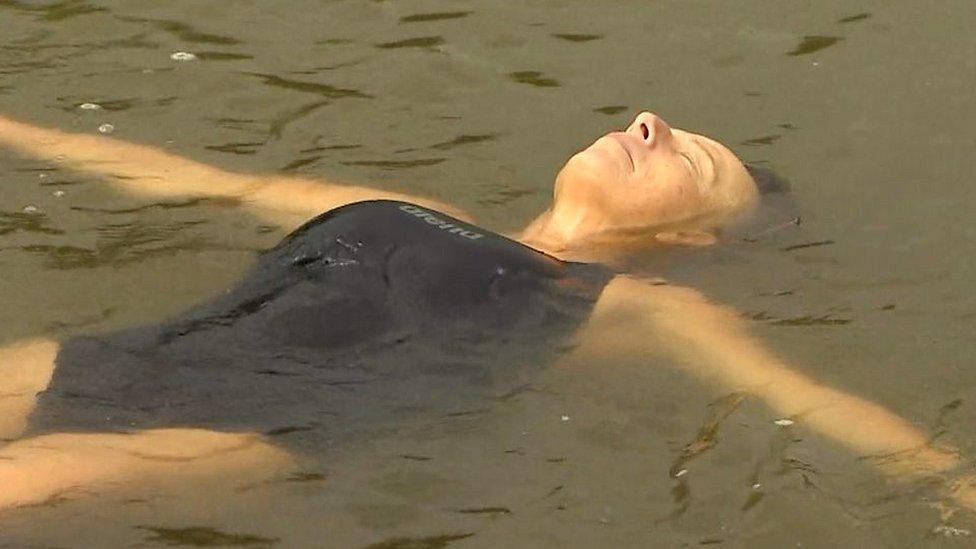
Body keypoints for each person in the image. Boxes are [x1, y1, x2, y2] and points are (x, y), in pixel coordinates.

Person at [0, 112, 972, 514]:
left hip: (250, 427)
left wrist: (948, 481)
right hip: (133, 354)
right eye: (660, 122)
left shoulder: (629, 304)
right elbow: (196, 182)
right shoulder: (417, 209)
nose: (648, 123)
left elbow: (801, 396)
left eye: (690, 156)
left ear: (693, 242)